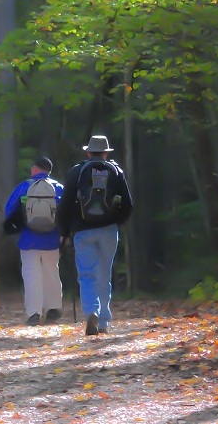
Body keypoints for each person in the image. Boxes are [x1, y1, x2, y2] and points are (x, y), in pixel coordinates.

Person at [57, 135, 133, 336]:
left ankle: (92, 311)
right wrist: (116, 221)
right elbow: (128, 204)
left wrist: (64, 232)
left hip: (82, 231)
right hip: (108, 230)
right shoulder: (116, 172)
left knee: (87, 274)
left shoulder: (76, 172)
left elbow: (64, 205)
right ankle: (104, 323)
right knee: (104, 275)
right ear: (106, 153)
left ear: (88, 152)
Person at [3, 157, 64, 326]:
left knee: (31, 275)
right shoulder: (58, 187)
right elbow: (67, 212)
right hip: (52, 239)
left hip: (28, 239)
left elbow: (9, 210)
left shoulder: (25, 186)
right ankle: (53, 308)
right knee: (52, 271)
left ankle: (34, 312)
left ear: (35, 169)